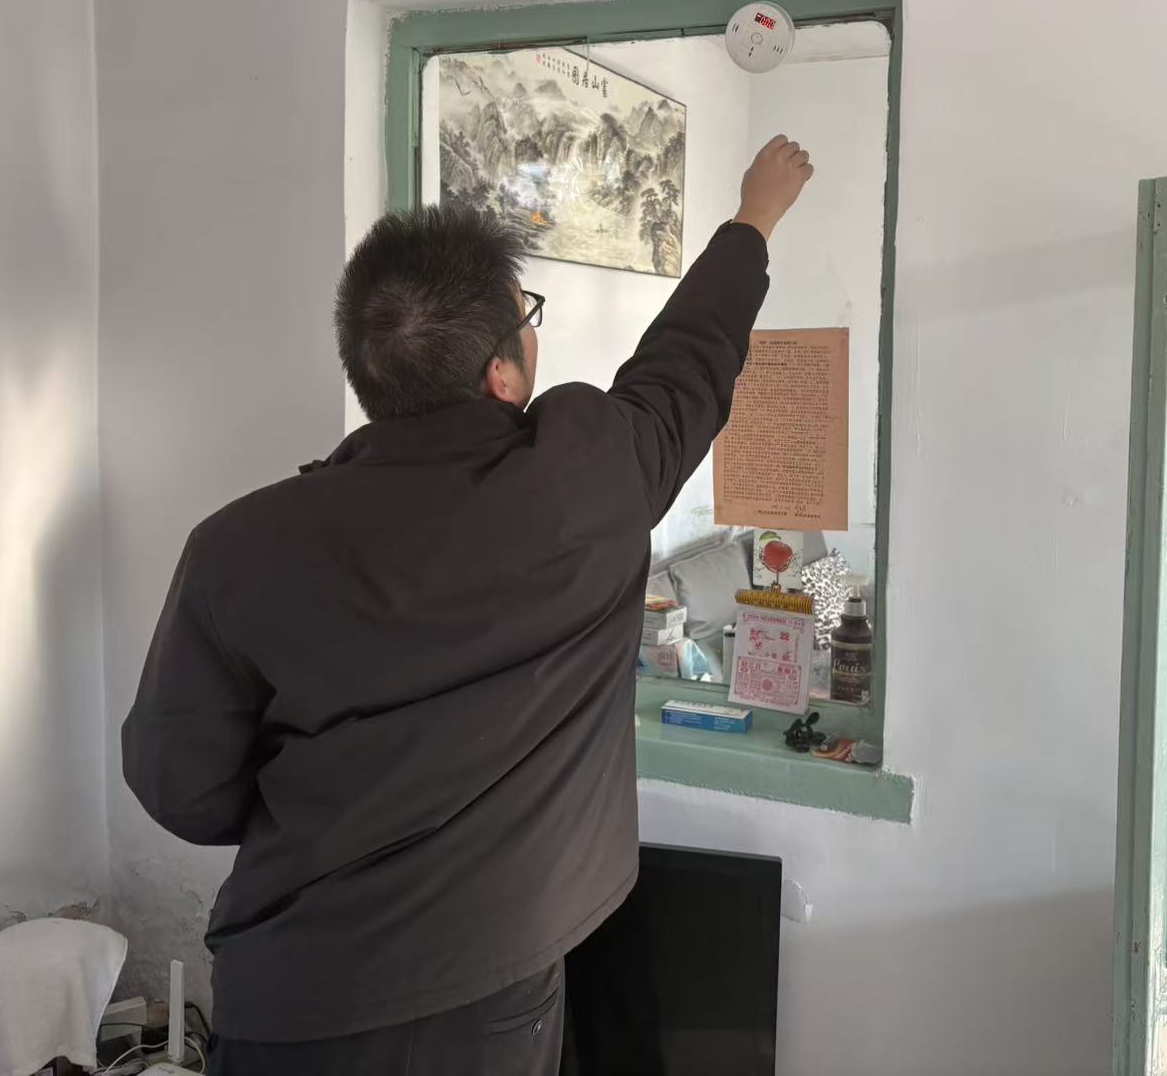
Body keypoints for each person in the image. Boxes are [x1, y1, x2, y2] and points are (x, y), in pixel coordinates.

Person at [121, 135, 814, 1075]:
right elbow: (687, 365)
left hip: (287, 996)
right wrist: (752, 220)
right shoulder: (585, 480)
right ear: (501, 374)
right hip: (483, 1004)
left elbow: (181, 788)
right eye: (526, 317)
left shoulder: (235, 548)